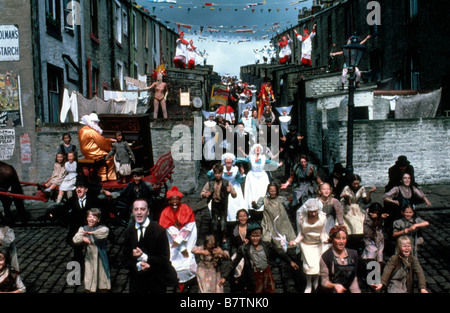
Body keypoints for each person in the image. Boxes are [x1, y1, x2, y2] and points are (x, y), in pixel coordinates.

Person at [219, 223, 299, 293]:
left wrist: (290, 261)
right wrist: (225, 277)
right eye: (253, 236)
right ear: (249, 236)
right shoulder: (244, 249)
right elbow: (234, 263)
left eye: (257, 236)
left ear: (261, 236)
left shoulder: (266, 245)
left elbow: (279, 252)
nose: (255, 238)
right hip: (254, 277)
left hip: (266, 274)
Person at [122, 198, 178, 293]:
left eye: (142, 209)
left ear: (148, 212)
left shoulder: (159, 231)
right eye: (136, 209)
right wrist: (137, 264)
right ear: (132, 212)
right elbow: (125, 259)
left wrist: (146, 258)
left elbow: (164, 258)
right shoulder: (129, 231)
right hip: (137, 281)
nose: (139, 212)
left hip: (156, 279)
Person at [159, 186, 198, 291]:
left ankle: (188, 279)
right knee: (174, 255)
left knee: (188, 255)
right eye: (172, 199)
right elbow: (172, 232)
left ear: (180, 200)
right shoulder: (165, 213)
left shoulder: (186, 209)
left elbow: (189, 227)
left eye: (177, 199)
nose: (174, 202)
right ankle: (177, 279)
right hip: (173, 238)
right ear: (169, 201)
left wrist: (183, 245)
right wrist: (181, 247)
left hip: (187, 235)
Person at [290, 198, 329, 293]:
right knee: (308, 266)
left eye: (315, 211)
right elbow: (302, 234)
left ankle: (315, 281)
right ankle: (308, 283)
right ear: (307, 210)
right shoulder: (302, 218)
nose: (313, 214)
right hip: (307, 244)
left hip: (318, 244)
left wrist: (324, 239)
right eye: (311, 212)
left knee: (317, 265)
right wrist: (295, 241)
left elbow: (322, 232)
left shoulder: (323, 218)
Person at [72, 208, 111, 293]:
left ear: (98, 219)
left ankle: (102, 289)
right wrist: (83, 238)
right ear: (87, 218)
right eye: (89, 216)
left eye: (94, 217)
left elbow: (105, 232)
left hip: (100, 256)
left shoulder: (102, 228)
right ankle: (91, 289)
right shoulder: (84, 228)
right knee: (89, 274)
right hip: (90, 256)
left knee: (101, 276)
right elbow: (75, 238)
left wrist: (92, 233)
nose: (91, 219)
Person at [201, 163, 237, 249]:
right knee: (214, 222)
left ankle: (224, 239)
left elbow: (235, 195)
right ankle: (214, 238)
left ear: (222, 173)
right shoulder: (210, 182)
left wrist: (231, 191)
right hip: (214, 204)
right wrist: (206, 194)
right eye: (216, 173)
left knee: (223, 222)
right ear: (214, 173)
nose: (217, 175)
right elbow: (202, 192)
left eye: (219, 173)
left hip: (223, 204)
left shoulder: (226, 182)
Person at [238, 143, 282, 212]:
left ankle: (263, 207)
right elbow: (242, 160)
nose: (258, 149)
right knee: (253, 191)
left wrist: (278, 164)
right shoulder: (250, 157)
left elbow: (270, 161)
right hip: (252, 176)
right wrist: (233, 159)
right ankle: (252, 207)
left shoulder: (263, 157)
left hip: (262, 177)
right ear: (254, 150)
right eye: (256, 148)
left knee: (262, 190)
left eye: (259, 148)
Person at [253, 183, 296, 252]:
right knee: (266, 239)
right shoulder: (264, 199)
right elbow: (257, 207)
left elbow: (289, 208)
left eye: (274, 191)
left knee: (282, 240)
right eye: (271, 191)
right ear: (268, 191)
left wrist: (290, 202)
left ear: (277, 191)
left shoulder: (281, 199)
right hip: (269, 222)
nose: (272, 193)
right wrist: (254, 205)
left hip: (280, 223)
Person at [319, 225, 361, 293]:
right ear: (332, 239)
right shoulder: (326, 257)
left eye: (344, 238)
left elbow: (354, 278)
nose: (341, 241)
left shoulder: (353, 254)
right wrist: (334, 286)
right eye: (338, 238)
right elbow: (324, 281)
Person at [339, 174, 376, 250]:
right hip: (348, 208)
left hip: (357, 207)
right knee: (351, 222)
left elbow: (365, 200)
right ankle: (351, 240)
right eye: (354, 184)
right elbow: (345, 201)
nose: (356, 185)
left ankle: (359, 241)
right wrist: (346, 197)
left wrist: (370, 192)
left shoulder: (361, 188)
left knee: (361, 221)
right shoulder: (347, 188)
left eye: (357, 183)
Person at [207, 153, 246, 224]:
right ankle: (220, 219)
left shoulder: (235, 169)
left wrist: (242, 174)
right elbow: (210, 177)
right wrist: (212, 170)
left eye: (230, 160)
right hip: (222, 187)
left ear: (232, 161)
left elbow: (239, 180)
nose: (228, 161)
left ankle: (234, 219)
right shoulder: (221, 168)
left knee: (235, 204)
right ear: (224, 161)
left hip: (233, 187)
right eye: (226, 160)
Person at [78, 113, 116, 182]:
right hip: (93, 153)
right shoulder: (91, 131)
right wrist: (109, 142)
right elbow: (101, 142)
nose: (97, 124)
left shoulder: (82, 130)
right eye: (96, 122)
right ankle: (104, 176)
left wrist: (108, 139)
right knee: (109, 157)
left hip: (86, 153)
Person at [361, 203, 388, 269]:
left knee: (379, 256)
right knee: (371, 254)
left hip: (379, 238)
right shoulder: (367, 218)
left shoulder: (380, 216)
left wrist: (380, 217)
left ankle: (377, 274)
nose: (372, 214)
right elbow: (372, 225)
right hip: (369, 239)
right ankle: (369, 274)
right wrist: (379, 217)